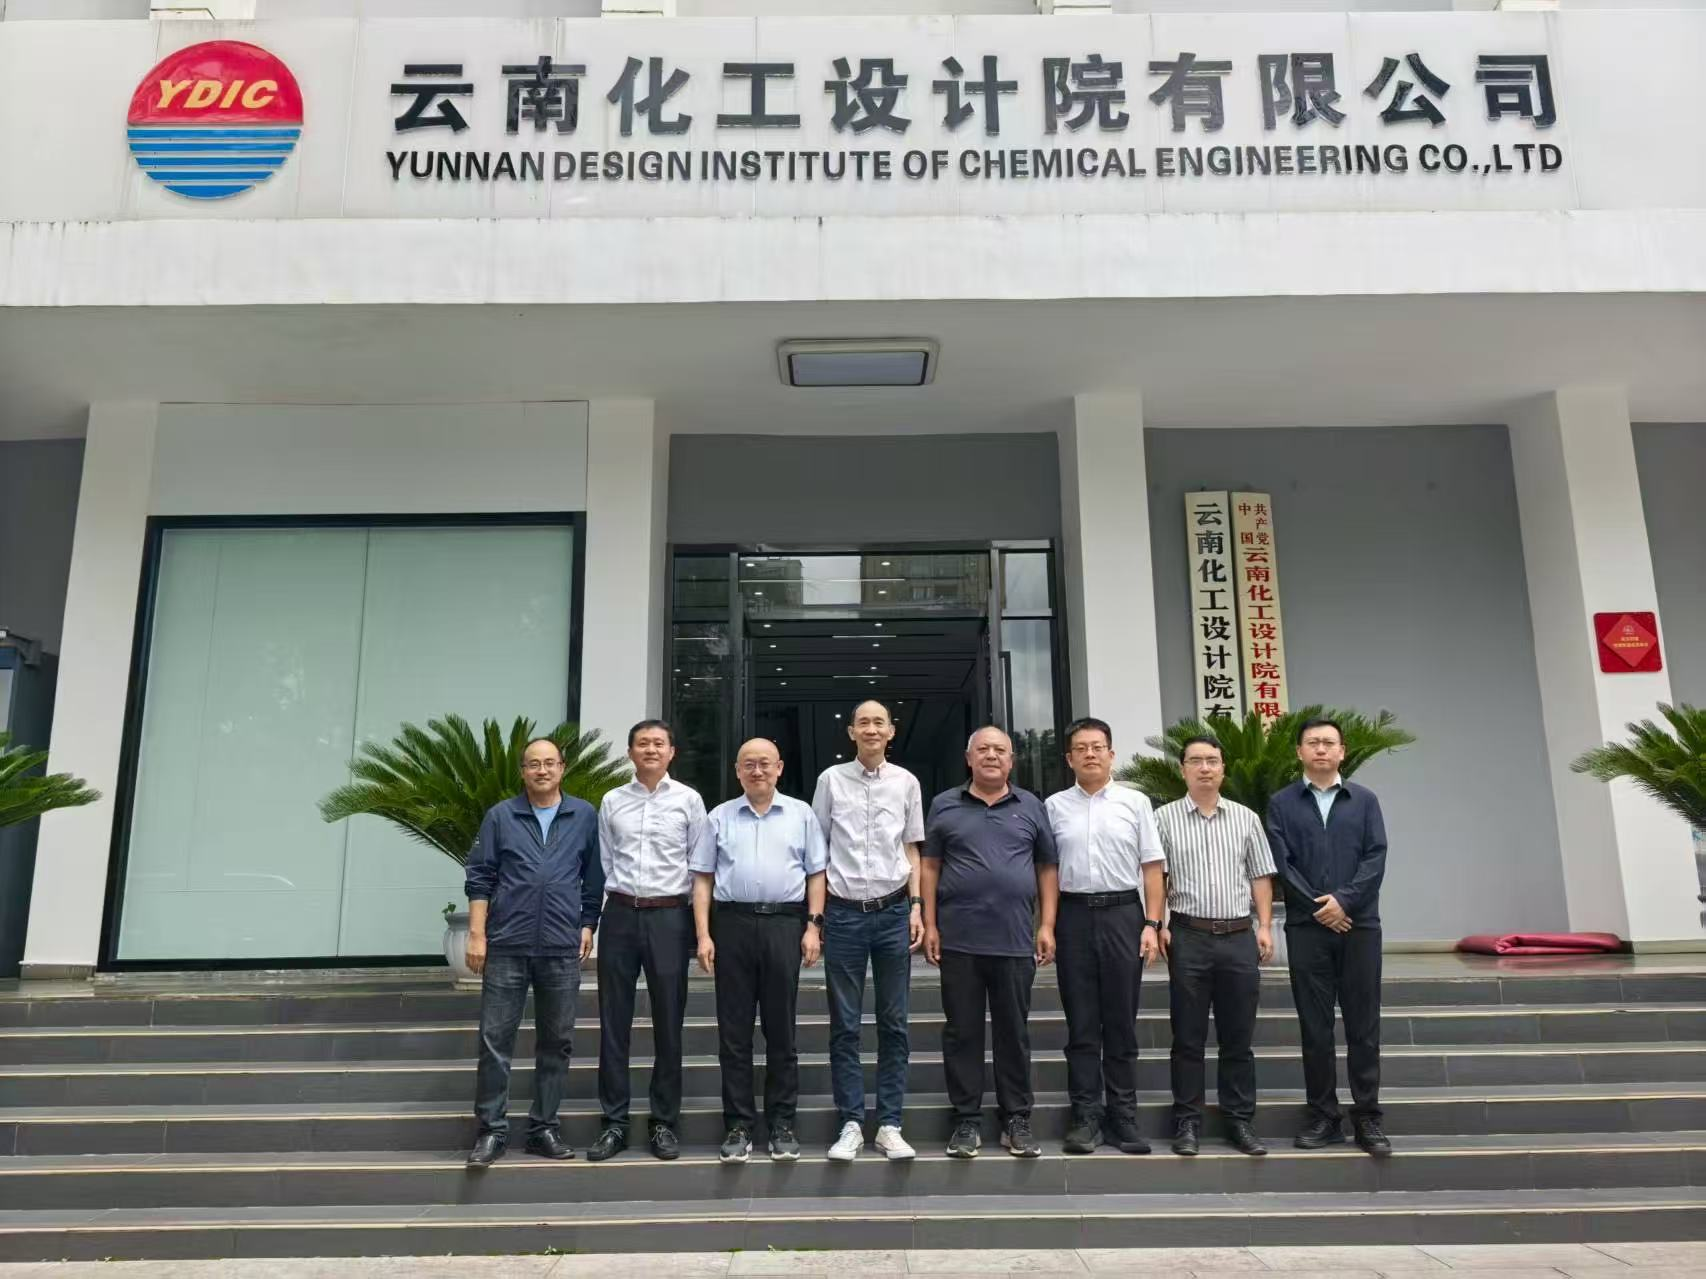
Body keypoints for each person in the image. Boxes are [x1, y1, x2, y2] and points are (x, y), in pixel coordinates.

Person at [463, 737, 603, 1168]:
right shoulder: (501, 816)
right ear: (522, 771)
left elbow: (594, 878)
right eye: (533, 764)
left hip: (561, 945)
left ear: (563, 768)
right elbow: (480, 876)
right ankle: (491, 1130)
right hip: (507, 943)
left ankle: (544, 1128)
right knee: (495, 1040)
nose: (542, 771)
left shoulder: (584, 815)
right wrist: (477, 935)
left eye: (549, 763)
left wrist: (587, 924)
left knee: (557, 1041)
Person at [922, 726, 1059, 1160]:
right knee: (962, 1032)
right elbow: (929, 867)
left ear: (1011, 760)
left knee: (1013, 1033)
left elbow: (1047, 868)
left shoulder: (1031, 806)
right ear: (969, 758)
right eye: (983, 749)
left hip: (1015, 939)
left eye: (1000, 750)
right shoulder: (944, 804)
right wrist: (929, 923)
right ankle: (966, 1120)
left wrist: (1047, 925)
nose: (992, 756)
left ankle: (1016, 1119)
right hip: (959, 940)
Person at [691, 737, 828, 1164]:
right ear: (737, 771)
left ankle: (782, 1123)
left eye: (765, 763)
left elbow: (817, 874)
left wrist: (813, 927)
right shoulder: (719, 817)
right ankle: (738, 1125)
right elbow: (702, 879)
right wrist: (703, 935)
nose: (757, 770)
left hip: (784, 925)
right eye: (748, 764)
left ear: (779, 767)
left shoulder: (801, 815)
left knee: (781, 1030)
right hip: (731, 925)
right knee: (733, 1033)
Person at [1266, 716, 1392, 1156]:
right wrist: (1321, 908)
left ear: (1342, 752)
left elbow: (1376, 857)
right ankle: (1323, 1116)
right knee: (1315, 1028)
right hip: (1307, 929)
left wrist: (1344, 902)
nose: (1321, 749)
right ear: (1299, 752)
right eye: (1312, 742)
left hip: (1359, 927)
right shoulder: (1282, 803)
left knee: (1363, 1025)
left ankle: (1368, 1118)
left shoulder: (1365, 801)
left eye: (1328, 743)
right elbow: (1282, 863)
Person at [1044, 716, 1166, 1156]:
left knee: (1120, 1021)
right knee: (1080, 1023)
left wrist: (1152, 924)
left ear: (1111, 754)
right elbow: (1048, 871)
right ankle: (1085, 1116)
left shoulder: (1135, 803)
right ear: (1069, 758)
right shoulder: (1054, 806)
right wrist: (1047, 925)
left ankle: (1123, 1116)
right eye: (1081, 748)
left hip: (1123, 915)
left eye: (1097, 747)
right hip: (1073, 916)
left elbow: (1152, 867)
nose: (1090, 754)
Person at [588, 719, 707, 1163]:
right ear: (630, 752)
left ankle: (663, 1122)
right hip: (620, 914)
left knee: (669, 1021)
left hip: (669, 917)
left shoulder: (689, 800)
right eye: (643, 743)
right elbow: (605, 860)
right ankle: (614, 1123)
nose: (651, 749)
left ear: (672, 752)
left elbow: (699, 867)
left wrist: (699, 929)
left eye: (659, 743)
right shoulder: (612, 800)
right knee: (613, 1021)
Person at [812, 700, 926, 1163]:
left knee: (894, 1022)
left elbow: (912, 850)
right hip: (843, 915)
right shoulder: (830, 780)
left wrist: (917, 907)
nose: (872, 729)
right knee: (845, 1024)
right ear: (851, 731)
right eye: (864, 722)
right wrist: (816, 918)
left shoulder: (907, 782)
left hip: (894, 912)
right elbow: (818, 851)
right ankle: (852, 1123)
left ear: (891, 731)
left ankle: (890, 1124)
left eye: (880, 722)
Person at [1153, 734, 1277, 1158]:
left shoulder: (1246, 818)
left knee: (1237, 1036)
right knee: (1187, 1036)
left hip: (1239, 937)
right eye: (1196, 761)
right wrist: (1159, 923)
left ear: (1223, 768)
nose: (1205, 768)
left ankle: (1239, 1120)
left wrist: (1265, 925)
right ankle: (1187, 1121)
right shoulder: (1163, 818)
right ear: (1182, 769)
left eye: (1212, 760)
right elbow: (1156, 877)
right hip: (1188, 936)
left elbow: (1260, 875)